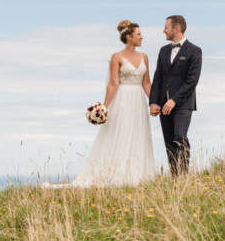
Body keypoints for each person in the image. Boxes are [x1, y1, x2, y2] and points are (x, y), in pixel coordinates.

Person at [72, 21, 156, 187]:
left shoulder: (144, 57)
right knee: (121, 133)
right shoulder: (117, 57)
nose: (142, 37)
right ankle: (117, 173)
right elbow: (113, 83)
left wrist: (153, 102)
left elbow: (146, 82)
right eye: (138, 34)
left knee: (138, 133)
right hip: (122, 99)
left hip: (138, 100)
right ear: (129, 37)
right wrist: (103, 107)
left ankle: (137, 173)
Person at [149, 15, 202, 175]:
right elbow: (158, 77)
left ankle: (184, 175)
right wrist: (153, 102)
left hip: (183, 104)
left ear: (176, 29)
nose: (163, 30)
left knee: (180, 136)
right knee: (169, 141)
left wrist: (174, 100)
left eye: (166, 27)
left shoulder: (194, 51)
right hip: (163, 104)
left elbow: (192, 81)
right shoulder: (163, 51)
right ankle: (175, 177)